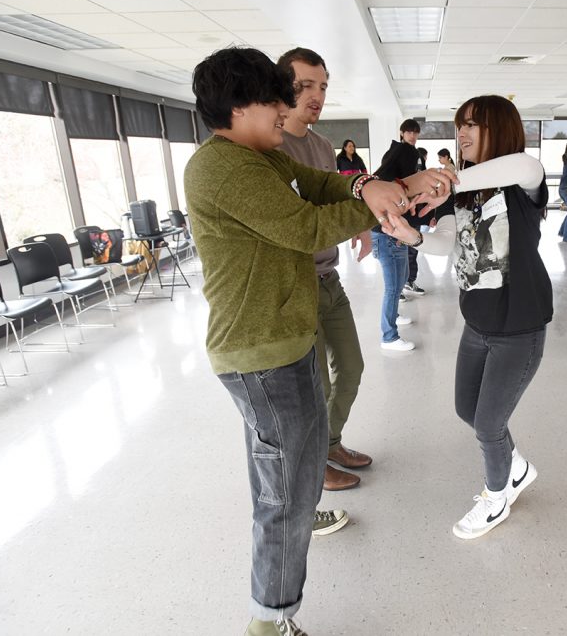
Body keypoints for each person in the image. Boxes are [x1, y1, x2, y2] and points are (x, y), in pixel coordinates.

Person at [184, 47, 452, 636]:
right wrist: (377, 203)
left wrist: (387, 186)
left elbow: (324, 183)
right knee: (282, 488)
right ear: (237, 106)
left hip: (287, 335)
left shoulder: (264, 159)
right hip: (260, 349)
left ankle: (281, 586)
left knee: (296, 474)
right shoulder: (223, 167)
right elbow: (304, 225)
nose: (289, 110)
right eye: (277, 99)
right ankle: (270, 620)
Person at [381, 95, 551, 540]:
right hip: (478, 322)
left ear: (501, 128)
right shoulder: (464, 194)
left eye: (473, 124)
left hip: (520, 325)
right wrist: (411, 235)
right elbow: (447, 246)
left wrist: (444, 183)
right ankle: (515, 467)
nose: (462, 133)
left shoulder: (523, 180)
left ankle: (497, 497)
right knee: (467, 410)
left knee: (490, 424)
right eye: (459, 125)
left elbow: (523, 167)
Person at [277, 47, 372, 493]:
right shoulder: (274, 147)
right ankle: (316, 465)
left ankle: (330, 444)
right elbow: (298, 222)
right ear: (283, 87)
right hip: (297, 286)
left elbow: (335, 199)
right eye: (306, 85)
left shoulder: (319, 145)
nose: (317, 96)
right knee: (312, 387)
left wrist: (364, 224)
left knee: (350, 367)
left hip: (329, 278)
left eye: (324, 86)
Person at [373, 119, 425, 348]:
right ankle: (389, 337)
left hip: (398, 229)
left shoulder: (407, 152)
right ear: (402, 133)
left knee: (402, 278)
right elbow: (386, 182)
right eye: (409, 131)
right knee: (393, 287)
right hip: (389, 231)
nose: (413, 135)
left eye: (416, 132)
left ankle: (393, 317)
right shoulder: (401, 151)